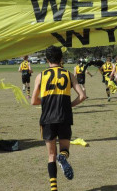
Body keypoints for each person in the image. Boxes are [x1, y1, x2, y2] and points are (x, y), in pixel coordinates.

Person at [31, 46, 86, 191]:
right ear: (61, 59)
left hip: (47, 119)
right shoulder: (68, 74)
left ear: (47, 59)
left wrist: (47, 101)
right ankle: (63, 157)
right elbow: (82, 96)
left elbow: (33, 101)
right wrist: (69, 105)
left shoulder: (41, 75)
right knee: (64, 150)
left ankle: (53, 188)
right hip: (64, 117)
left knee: (50, 155)